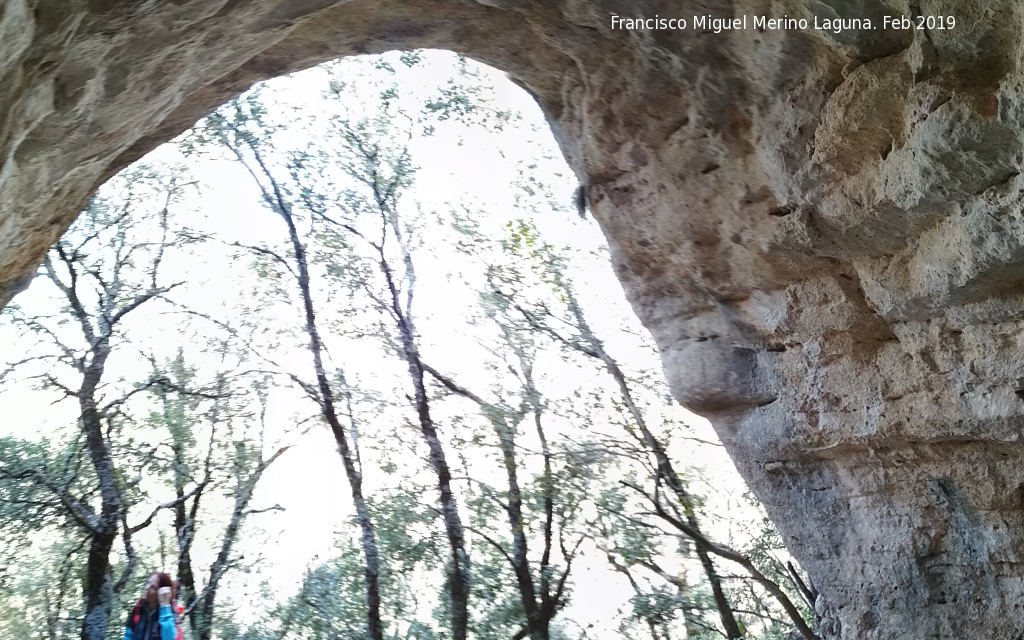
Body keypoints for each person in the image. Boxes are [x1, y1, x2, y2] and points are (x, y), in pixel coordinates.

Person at [123, 571, 182, 640]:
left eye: (152, 587)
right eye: (148, 582)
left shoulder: (170, 613)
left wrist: (165, 607)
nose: (146, 588)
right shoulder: (138, 609)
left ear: (160, 593)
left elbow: (169, 638)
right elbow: (128, 636)